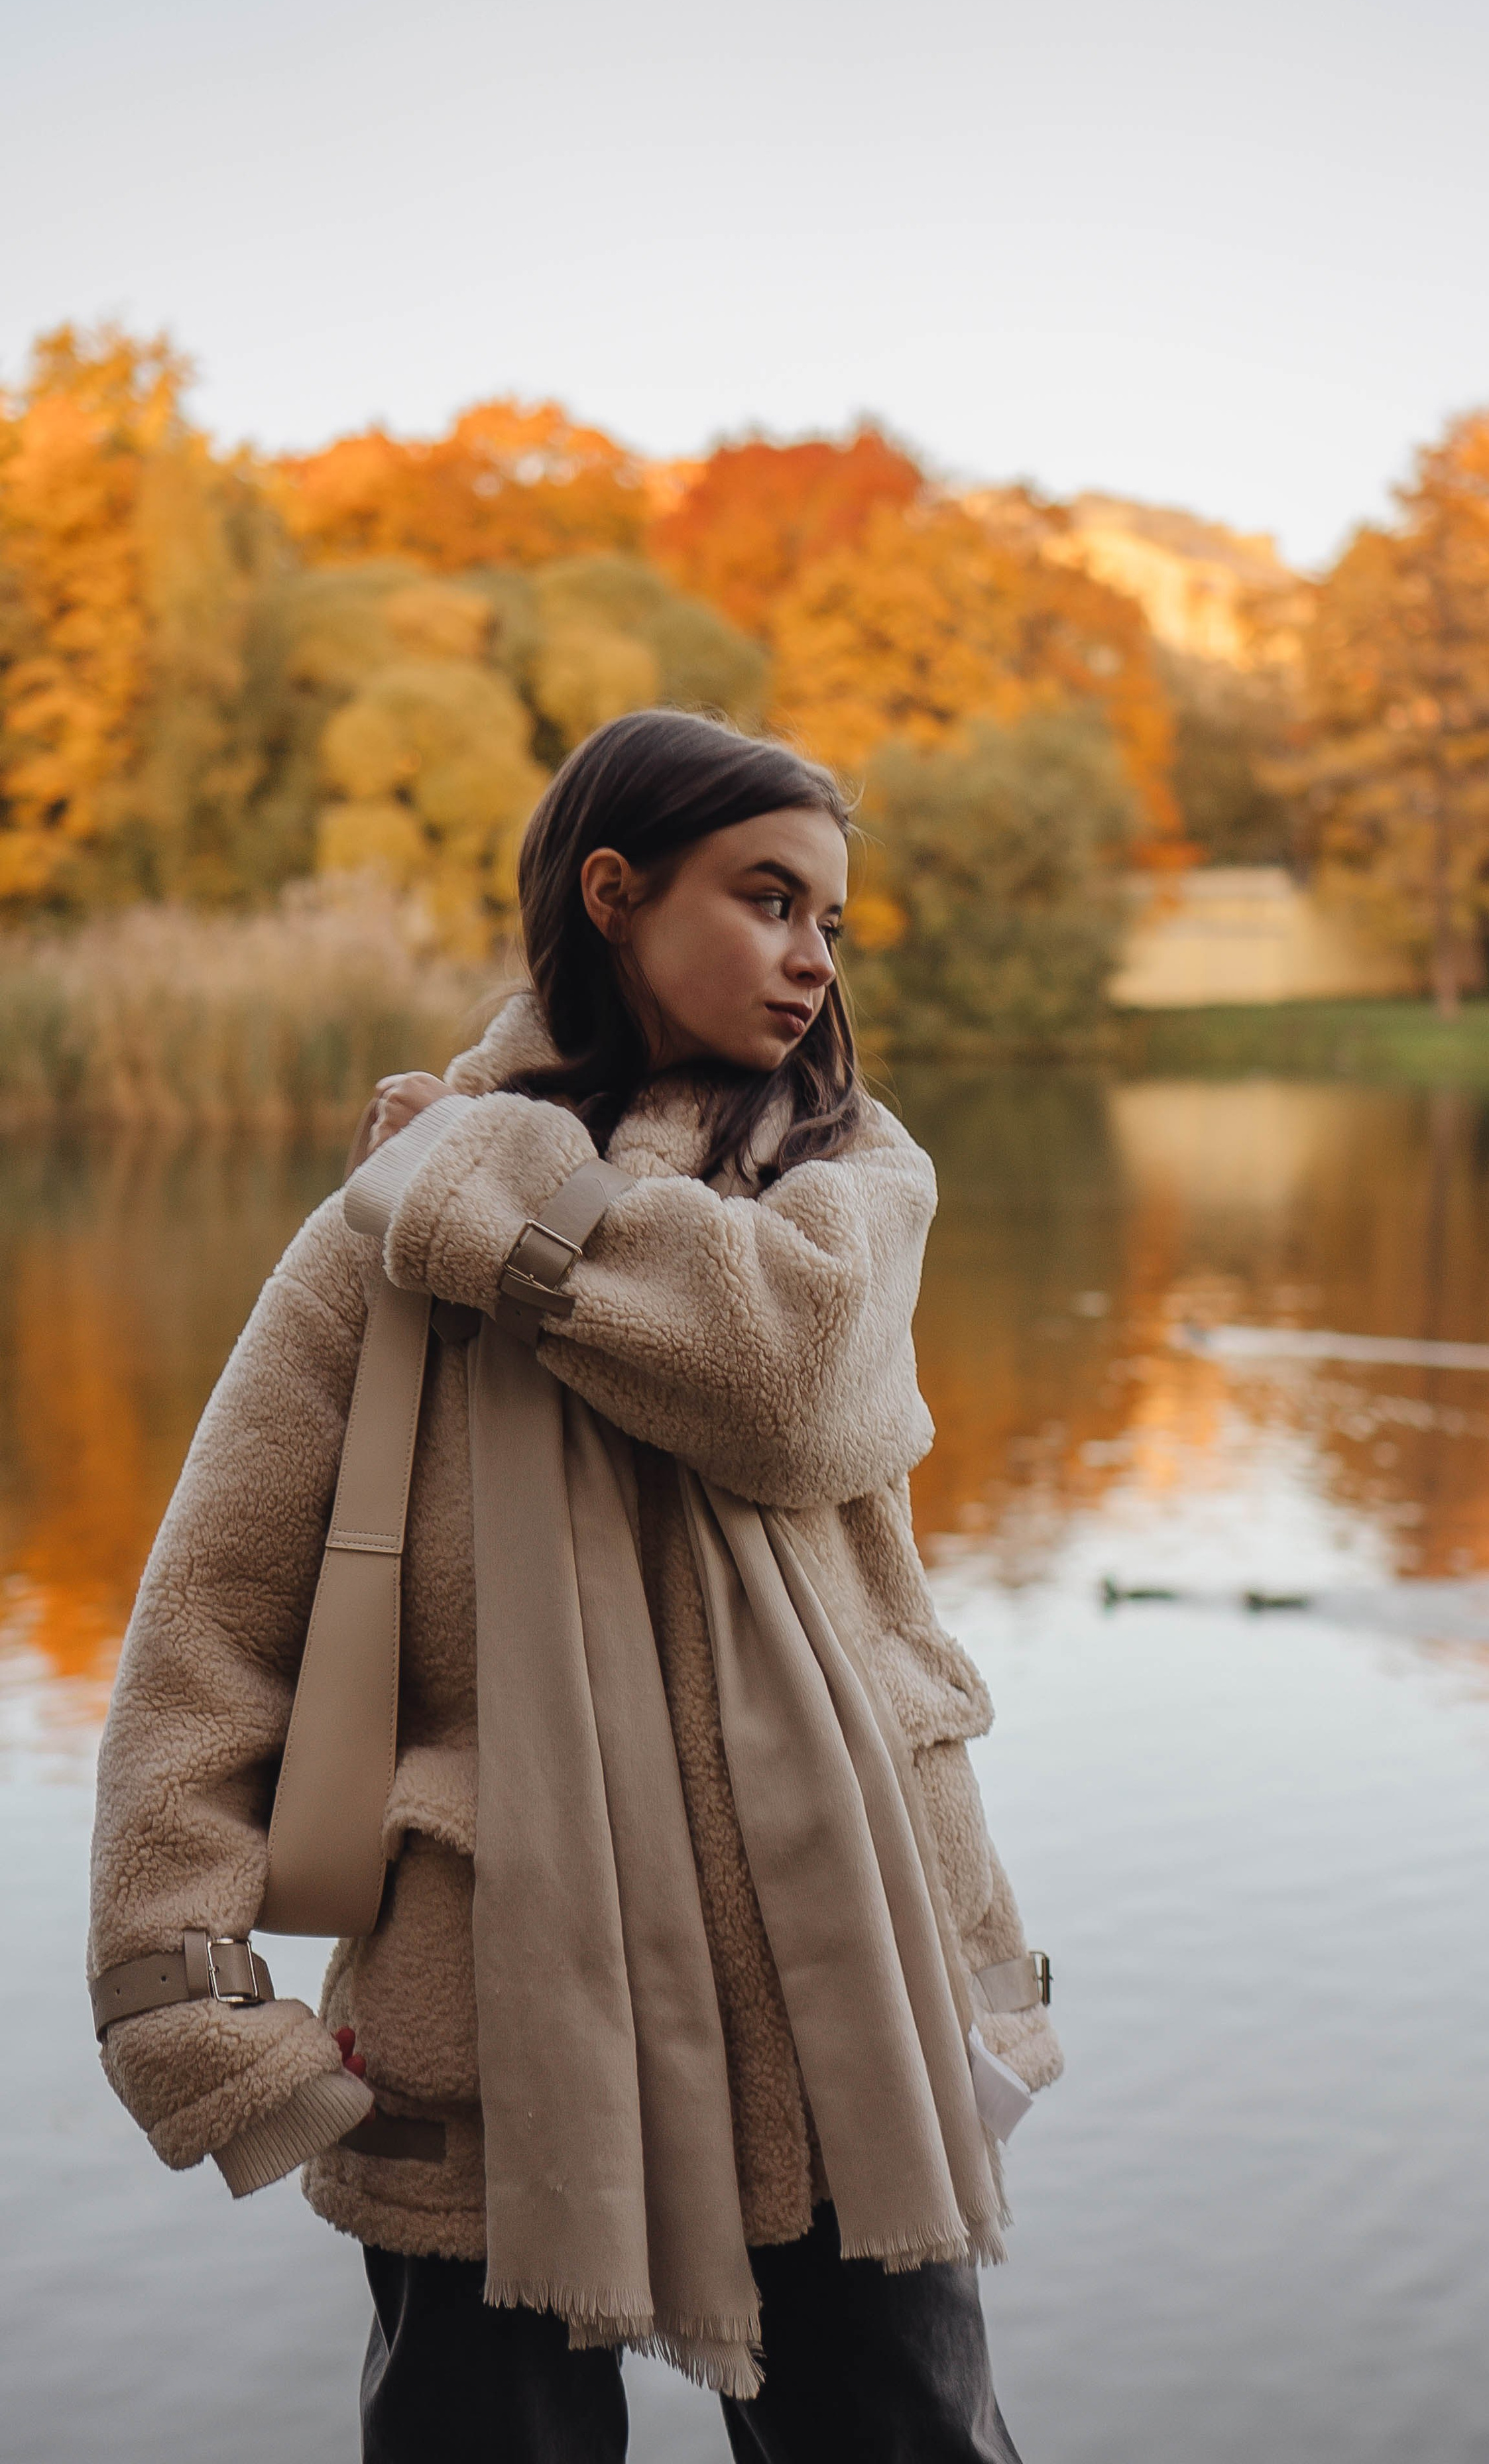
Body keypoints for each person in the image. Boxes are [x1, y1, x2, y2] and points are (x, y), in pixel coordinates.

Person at [88, 709, 1061, 2462]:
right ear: (614, 894)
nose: (810, 962)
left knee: (907, 2435)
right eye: (768, 900)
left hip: (831, 1986)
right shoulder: (371, 1253)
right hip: (486, 2020)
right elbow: (212, 1632)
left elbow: (782, 1380)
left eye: (831, 921)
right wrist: (192, 1995)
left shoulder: (851, 1184)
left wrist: (484, 1184)